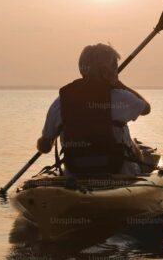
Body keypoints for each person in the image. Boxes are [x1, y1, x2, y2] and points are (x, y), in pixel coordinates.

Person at [37, 43, 152, 175]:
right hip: (119, 174)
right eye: (115, 68)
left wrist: (51, 138)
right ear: (105, 71)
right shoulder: (121, 97)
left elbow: (44, 147)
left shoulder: (60, 102)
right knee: (134, 147)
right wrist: (119, 84)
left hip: (75, 175)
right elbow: (146, 108)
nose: (116, 71)